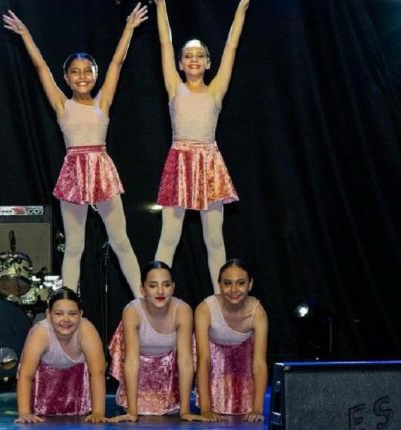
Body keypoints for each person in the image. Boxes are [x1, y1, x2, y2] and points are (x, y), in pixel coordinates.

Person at [3, 5, 148, 298]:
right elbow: (41, 67)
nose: (82, 77)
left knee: (120, 240)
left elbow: (118, 63)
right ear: (67, 78)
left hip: (101, 169)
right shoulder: (61, 104)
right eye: (75, 73)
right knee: (75, 246)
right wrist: (26, 35)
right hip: (74, 172)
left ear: (95, 75)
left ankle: (141, 301)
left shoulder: (102, 102)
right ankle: (67, 303)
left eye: (88, 71)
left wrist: (129, 30)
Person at [153, 0, 251, 294]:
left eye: (199, 56)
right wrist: (160, 6)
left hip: (209, 164)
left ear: (209, 62)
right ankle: (156, 294)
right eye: (187, 56)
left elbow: (231, 47)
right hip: (180, 162)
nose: (193, 59)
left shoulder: (216, 88)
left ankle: (221, 300)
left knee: (214, 239)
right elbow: (164, 43)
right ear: (181, 63)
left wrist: (241, 9)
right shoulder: (174, 87)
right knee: (169, 237)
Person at [107, 261, 207, 422]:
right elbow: (131, 360)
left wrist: (185, 410)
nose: (160, 291)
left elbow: (186, 360)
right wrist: (132, 412)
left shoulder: (182, 310)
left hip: (169, 385)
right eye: (153, 286)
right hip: (138, 383)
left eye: (166, 285)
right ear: (142, 289)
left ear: (173, 287)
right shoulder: (132, 311)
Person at [14, 288, 107, 424]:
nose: (66, 320)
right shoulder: (41, 333)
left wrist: (98, 412)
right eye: (58, 314)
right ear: (48, 314)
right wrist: (24, 413)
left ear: (80, 315)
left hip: (78, 386)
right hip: (44, 386)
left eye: (72, 314)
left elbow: (97, 373)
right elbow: (26, 375)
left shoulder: (86, 330)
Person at [194, 259, 268, 422]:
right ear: (219, 285)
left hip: (243, 363)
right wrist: (205, 408)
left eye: (240, 283)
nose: (234, 290)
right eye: (227, 283)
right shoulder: (205, 309)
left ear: (250, 284)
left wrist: (257, 409)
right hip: (214, 363)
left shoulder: (258, 313)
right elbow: (204, 360)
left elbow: (259, 363)